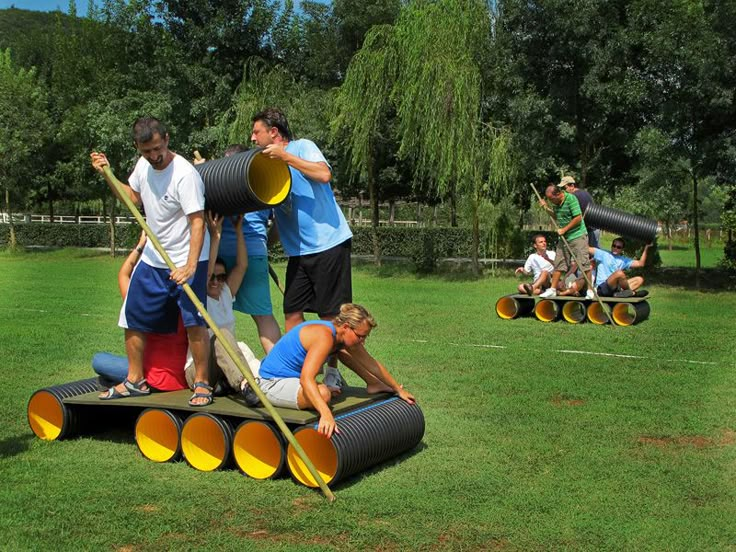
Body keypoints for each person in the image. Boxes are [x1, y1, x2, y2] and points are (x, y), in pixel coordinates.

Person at [90, 117, 212, 406]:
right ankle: (135, 380)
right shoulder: (144, 167)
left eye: (158, 148)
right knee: (132, 315)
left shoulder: (185, 175)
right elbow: (133, 197)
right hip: (155, 256)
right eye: (147, 152)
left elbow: (198, 223)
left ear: (167, 139)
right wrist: (108, 174)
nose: (154, 156)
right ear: (138, 148)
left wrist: (191, 267)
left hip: (187, 256)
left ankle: (203, 383)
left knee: (195, 322)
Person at [250, 107, 353, 389]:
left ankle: (332, 371)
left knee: (330, 315)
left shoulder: (301, 147)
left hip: (329, 244)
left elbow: (323, 175)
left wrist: (287, 157)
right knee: (292, 312)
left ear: (273, 133)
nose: (252, 137)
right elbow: (281, 218)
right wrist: (264, 243)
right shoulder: (268, 168)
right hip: (298, 253)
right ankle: (298, 373)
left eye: (256, 131)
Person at [257, 303, 415, 439]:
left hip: (293, 380)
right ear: (346, 327)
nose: (363, 341)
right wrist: (326, 414)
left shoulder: (339, 335)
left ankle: (373, 384)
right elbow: (307, 379)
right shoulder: (324, 336)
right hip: (271, 383)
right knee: (324, 394)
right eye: (361, 336)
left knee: (344, 352)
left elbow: (372, 364)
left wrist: (397, 389)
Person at [92, 231, 189, 392]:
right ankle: (111, 381)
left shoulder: (143, 304)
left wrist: (140, 245)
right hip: (180, 379)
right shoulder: (185, 310)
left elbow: (124, 274)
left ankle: (111, 381)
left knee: (98, 360)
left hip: (150, 377)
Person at [183, 212, 261, 405]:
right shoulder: (199, 297)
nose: (216, 282)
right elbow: (206, 271)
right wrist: (215, 235)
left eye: (221, 277)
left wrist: (238, 229)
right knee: (222, 334)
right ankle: (244, 384)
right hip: (197, 370)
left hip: (220, 365)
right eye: (212, 278)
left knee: (238, 345)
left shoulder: (226, 292)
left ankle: (232, 383)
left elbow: (242, 265)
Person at [217, 144, 282, 354]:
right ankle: (282, 371)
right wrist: (265, 245)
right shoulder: (265, 182)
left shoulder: (218, 180)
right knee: (263, 316)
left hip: (219, 253)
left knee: (213, 310)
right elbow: (279, 226)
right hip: (253, 252)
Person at [538, 184, 594, 300]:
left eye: (551, 199)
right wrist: (546, 208)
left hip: (578, 235)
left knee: (584, 263)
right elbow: (557, 216)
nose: (550, 201)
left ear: (558, 194)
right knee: (559, 262)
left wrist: (564, 229)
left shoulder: (571, 199)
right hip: (564, 238)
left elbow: (578, 218)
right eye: (548, 199)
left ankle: (590, 290)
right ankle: (552, 290)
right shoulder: (557, 204)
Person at [559, 176, 599, 247]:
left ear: (572, 185)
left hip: (586, 231)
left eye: (565, 188)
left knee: (586, 254)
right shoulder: (585, 193)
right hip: (594, 229)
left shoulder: (574, 197)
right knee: (594, 253)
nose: (563, 191)